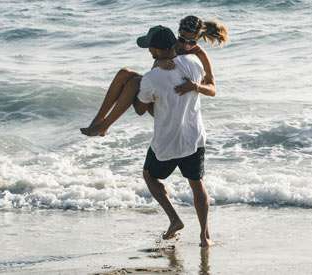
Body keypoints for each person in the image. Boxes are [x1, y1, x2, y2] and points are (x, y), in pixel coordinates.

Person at [132, 25, 214, 247]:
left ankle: (175, 219)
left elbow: (141, 109)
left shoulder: (151, 78)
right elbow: (208, 85)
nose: (149, 51)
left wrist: (132, 89)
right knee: (197, 185)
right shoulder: (195, 64)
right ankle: (205, 237)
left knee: (149, 175)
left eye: (150, 48)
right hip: (194, 138)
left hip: (166, 142)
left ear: (157, 50)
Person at [80, 16, 228, 136]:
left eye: (192, 42)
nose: (186, 46)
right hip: (158, 94)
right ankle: (98, 120)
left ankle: (104, 126)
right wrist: (160, 62)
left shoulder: (201, 55)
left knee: (134, 82)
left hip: (172, 106)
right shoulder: (173, 45)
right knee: (124, 73)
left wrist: (196, 86)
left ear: (199, 37)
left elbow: (213, 89)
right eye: (182, 39)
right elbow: (155, 70)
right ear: (178, 34)